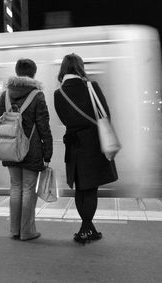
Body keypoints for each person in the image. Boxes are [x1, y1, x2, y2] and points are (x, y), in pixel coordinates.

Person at [54, 54, 118, 244]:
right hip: (94, 145)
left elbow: (64, 120)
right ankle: (85, 230)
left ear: (63, 70)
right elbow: (105, 114)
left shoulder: (59, 94)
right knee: (91, 190)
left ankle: (88, 229)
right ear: (80, 68)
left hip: (74, 145)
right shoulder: (92, 86)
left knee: (81, 189)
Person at [0, 59, 53, 241]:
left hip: (10, 148)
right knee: (28, 189)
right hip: (31, 149)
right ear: (33, 74)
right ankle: (27, 231)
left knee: (15, 187)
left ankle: (15, 230)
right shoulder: (37, 96)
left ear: (16, 71)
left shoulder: (4, 96)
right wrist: (48, 153)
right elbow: (44, 126)